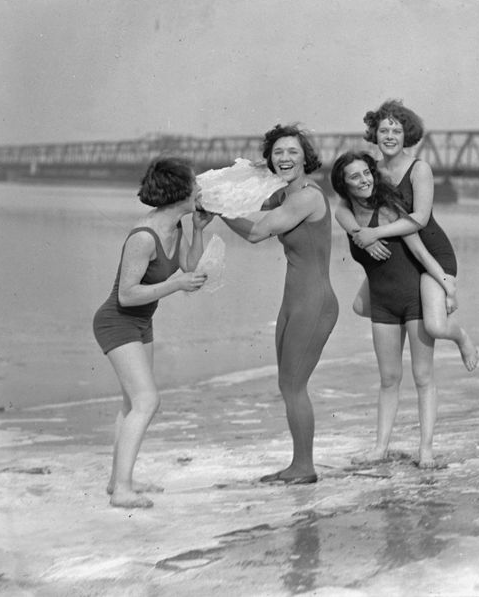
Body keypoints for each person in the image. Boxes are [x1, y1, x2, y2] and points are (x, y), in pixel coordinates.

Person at [220, 124, 338, 485]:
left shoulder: (306, 197)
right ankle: (298, 463)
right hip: (295, 301)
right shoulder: (287, 193)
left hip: (314, 302)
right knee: (287, 384)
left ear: (306, 157)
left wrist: (217, 209)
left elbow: (256, 232)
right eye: (278, 153)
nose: (285, 158)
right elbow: (253, 202)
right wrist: (245, 177)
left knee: (293, 385)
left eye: (293, 152)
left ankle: (304, 467)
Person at [93, 156, 213, 508]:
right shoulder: (143, 237)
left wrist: (200, 230)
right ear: (180, 192)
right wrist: (176, 284)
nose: (201, 189)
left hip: (142, 322)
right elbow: (126, 295)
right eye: (196, 184)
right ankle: (123, 492)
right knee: (148, 401)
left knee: (133, 402)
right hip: (118, 320)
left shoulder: (175, 227)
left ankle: (118, 481)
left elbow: (189, 269)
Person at [332, 151, 456, 469]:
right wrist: (361, 238)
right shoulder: (346, 215)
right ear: (343, 184)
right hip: (383, 304)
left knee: (422, 377)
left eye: (367, 173)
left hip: (414, 298)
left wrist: (445, 284)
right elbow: (343, 217)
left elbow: (420, 250)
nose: (364, 180)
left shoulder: (388, 211)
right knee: (388, 379)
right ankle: (379, 448)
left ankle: (425, 450)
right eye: (355, 176)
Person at [335, 99, 478, 372]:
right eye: (384, 130)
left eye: (396, 131)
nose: (389, 137)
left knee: (435, 326)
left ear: (407, 135)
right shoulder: (371, 170)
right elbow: (341, 210)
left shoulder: (419, 169)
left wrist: (374, 232)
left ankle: (461, 336)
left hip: (431, 253)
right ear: (374, 134)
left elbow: (419, 220)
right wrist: (359, 234)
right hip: (401, 256)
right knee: (359, 306)